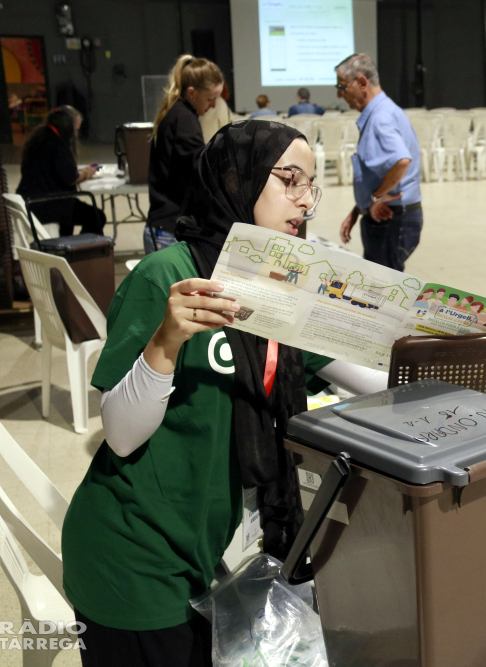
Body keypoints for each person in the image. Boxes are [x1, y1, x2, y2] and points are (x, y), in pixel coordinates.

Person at [61, 120, 386, 666]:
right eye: (290, 180)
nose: (305, 201)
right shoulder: (171, 275)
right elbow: (118, 435)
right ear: (240, 180)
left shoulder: (282, 290)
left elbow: (370, 379)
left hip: (205, 548)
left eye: (312, 185)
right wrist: (165, 343)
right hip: (132, 559)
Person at [335, 54, 423, 272]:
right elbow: (378, 173)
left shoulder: (380, 118)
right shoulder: (384, 111)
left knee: (382, 293)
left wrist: (376, 197)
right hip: (389, 216)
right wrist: (358, 210)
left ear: (362, 82)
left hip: (391, 219)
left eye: (342, 86)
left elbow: (401, 161)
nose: (340, 94)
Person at [146, 55, 224, 254]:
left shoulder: (175, 113)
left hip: (163, 227)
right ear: (192, 93)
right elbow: (200, 169)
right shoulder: (184, 119)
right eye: (210, 99)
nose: (213, 106)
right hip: (169, 229)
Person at [17, 107, 106, 237]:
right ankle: (80, 250)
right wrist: (87, 173)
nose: (76, 134)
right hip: (47, 204)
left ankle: (68, 245)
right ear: (67, 127)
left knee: (71, 207)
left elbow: (58, 171)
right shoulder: (56, 144)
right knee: (97, 217)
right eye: (75, 130)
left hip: (31, 200)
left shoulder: (40, 136)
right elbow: (70, 178)